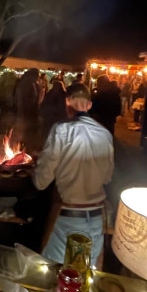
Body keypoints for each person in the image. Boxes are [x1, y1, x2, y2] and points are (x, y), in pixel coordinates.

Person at [33, 83, 114, 269]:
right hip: (96, 218)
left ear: (67, 102)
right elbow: (107, 177)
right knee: (87, 275)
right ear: (89, 105)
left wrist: (37, 168)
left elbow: (41, 182)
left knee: (54, 272)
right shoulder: (105, 134)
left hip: (67, 219)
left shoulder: (60, 130)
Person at [13, 68, 41, 151]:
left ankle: (29, 149)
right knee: (23, 134)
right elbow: (20, 100)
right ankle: (22, 150)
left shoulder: (35, 85)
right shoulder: (24, 84)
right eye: (36, 76)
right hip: (24, 113)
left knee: (31, 134)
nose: (37, 78)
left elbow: (36, 100)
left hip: (32, 113)